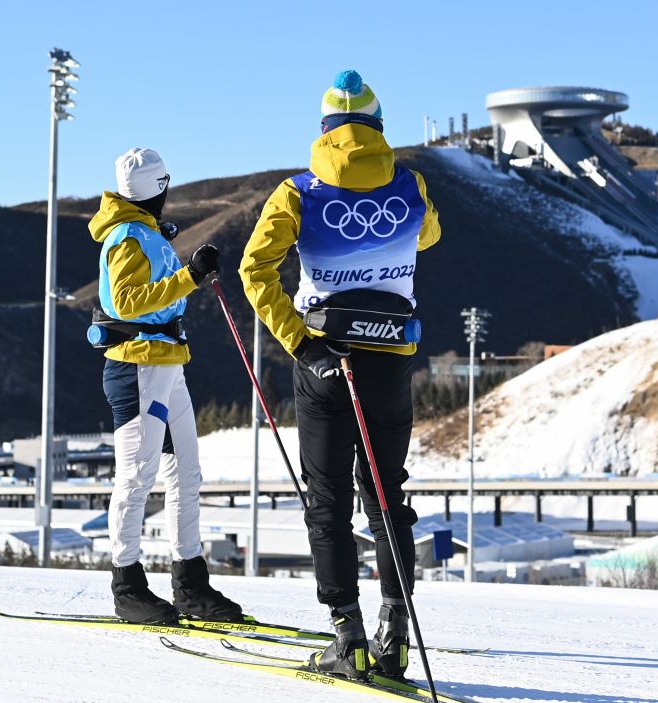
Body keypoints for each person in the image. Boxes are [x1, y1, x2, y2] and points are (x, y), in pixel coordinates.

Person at [239, 70, 441, 679]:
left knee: (327, 501)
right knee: (386, 496)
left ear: (324, 129)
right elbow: (428, 236)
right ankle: (395, 637)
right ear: (378, 127)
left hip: (326, 359)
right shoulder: (410, 184)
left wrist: (300, 344)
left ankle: (346, 638)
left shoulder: (296, 192)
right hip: (390, 359)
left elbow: (255, 271)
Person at [88, 148, 243, 624]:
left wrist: (188, 272)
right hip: (137, 366)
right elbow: (126, 302)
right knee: (137, 477)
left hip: (166, 363)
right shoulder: (125, 236)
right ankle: (127, 586)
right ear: (159, 187)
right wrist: (190, 276)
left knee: (186, 473)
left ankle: (190, 583)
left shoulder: (147, 232)